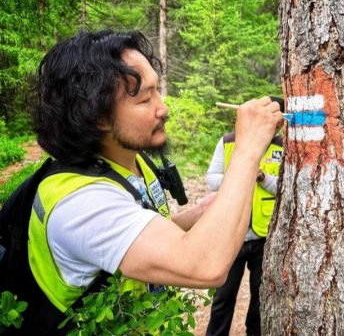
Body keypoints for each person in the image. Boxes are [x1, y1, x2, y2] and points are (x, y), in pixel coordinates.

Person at [26, 29, 283, 334]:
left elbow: (140, 233)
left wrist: (198, 214)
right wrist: (248, 147)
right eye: (145, 98)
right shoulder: (80, 203)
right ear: (95, 115)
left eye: (157, 90)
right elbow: (205, 265)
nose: (164, 108)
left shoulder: (129, 160)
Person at [205, 111, 284, 336]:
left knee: (260, 300)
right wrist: (243, 173)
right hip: (231, 235)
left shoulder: (282, 146)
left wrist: (262, 178)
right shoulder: (229, 141)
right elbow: (212, 179)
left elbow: (286, 187)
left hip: (263, 236)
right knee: (223, 298)